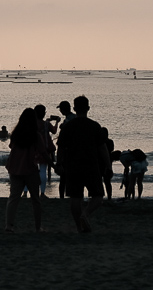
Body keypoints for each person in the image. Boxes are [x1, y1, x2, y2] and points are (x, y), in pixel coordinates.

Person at [56, 96, 108, 233]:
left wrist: (58, 164)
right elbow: (102, 147)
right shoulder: (94, 126)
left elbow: (60, 147)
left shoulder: (68, 126)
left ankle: (79, 227)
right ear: (88, 108)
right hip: (91, 164)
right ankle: (85, 214)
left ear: (74, 108)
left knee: (75, 197)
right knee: (98, 196)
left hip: (72, 165)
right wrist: (108, 165)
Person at [4, 108, 46, 232]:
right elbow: (43, 152)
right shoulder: (35, 135)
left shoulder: (16, 134)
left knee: (13, 198)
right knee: (35, 200)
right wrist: (53, 165)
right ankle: (38, 227)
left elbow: (11, 146)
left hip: (15, 168)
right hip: (30, 169)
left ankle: (9, 225)